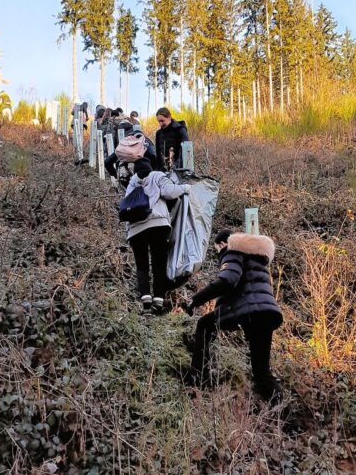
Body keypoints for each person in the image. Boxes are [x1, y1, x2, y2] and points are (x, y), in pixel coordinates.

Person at [184, 229, 283, 402]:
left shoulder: (231, 252)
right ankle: (279, 410)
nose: (218, 254)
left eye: (217, 250)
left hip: (247, 311)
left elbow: (227, 281)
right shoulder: (258, 259)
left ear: (222, 244)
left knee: (205, 325)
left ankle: (197, 377)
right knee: (261, 372)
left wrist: (196, 300)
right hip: (266, 314)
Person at [121, 160, 189, 312]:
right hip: (157, 224)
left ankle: (145, 299)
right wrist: (185, 187)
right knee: (159, 263)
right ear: (151, 168)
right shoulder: (157, 175)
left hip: (135, 229)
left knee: (142, 265)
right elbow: (169, 192)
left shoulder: (133, 182)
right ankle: (158, 300)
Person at [155, 107, 189, 171]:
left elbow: (185, 153)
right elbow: (158, 155)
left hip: (178, 170)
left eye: (162, 121)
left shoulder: (180, 130)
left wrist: (175, 166)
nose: (160, 124)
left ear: (169, 117)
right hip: (163, 170)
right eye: (159, 121)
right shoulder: (158, 134)